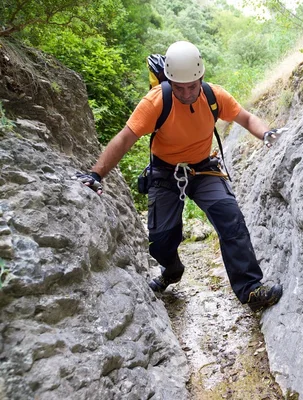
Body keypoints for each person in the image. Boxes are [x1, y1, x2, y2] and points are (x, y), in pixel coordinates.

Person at [75, 40, 283, 312]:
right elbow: (125, 139)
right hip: (164, 172)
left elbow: (245, 118)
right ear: (169, 80)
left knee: (230, 218)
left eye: (192, 86)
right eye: (179, 87)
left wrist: (266, 133)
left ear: (201, 77)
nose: (185, 93)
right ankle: (171, 270)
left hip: (204, 168)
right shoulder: (155, 102)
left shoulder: (214, 96)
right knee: (160, 241)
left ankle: (250, 289)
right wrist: (96, 174)